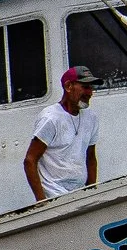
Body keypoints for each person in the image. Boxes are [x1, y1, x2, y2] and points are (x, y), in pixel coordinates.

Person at [24, 66, 99, 202]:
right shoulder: (50, 118)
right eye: (85, 87)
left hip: (80, 194)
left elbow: (91, 157)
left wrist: (91, 193)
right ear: (68, 86)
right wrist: (42, 202)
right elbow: (30, 160)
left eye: (91, 88)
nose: (90, 93)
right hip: (54, 196)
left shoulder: (91, 118)